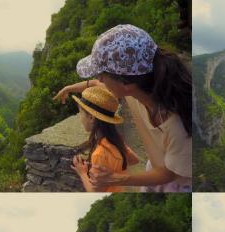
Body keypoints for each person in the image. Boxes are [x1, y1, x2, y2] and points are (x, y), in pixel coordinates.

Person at [54, 24, 192, 192]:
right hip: (156, 169)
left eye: (101, 74)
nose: (100, 80)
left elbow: (168, 174)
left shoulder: (179, 125)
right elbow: (96, 83)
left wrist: (115, 178)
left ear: (125, 83)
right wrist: (69, 89)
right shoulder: (138, 87)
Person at [69, 87, 139, 192]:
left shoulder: (99, 154)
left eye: (81, 113)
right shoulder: (116, 140)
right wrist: (114, 168)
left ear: (91, 118)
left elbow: (95, 191)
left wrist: (82, 173)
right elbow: (134, 160)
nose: (80, 118)